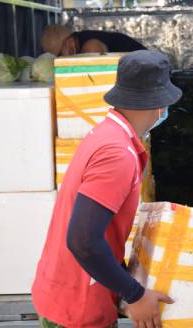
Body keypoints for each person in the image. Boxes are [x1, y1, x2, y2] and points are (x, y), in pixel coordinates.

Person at [32, 50, 182, 328]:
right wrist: (135, 295)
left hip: (70, 293)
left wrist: (123, 281)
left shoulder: (106, 134)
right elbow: (82, 240)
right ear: (159, 105)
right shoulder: (117, 154)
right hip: (77, 307)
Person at [41, 24, 146, 56]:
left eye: (60, 54)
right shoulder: (81, 39)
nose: (61, 58)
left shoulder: (90, 47)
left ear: (69, 43)